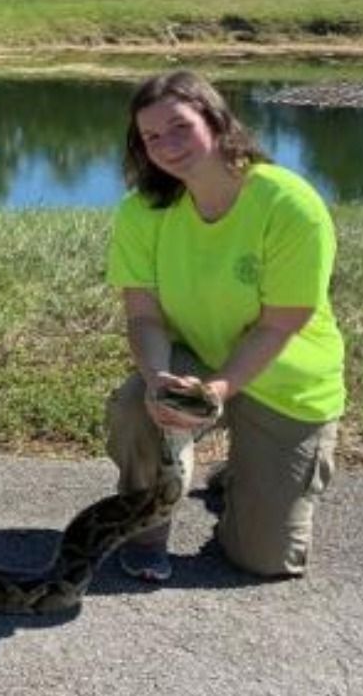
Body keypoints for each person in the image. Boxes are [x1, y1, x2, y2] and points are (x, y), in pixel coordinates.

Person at [104, 70, 345, 582]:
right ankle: (145, 534)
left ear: (216, 120)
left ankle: (240, 478)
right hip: (195, 357)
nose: (167, 145)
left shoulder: (288, 204)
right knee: (135, 409)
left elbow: (280, 325)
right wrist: (155, 382)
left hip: (285, 379)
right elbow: (143, 316)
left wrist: (216, 390)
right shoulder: (142, 212)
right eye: (151, 137)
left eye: (180, 127)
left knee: (264, 561)